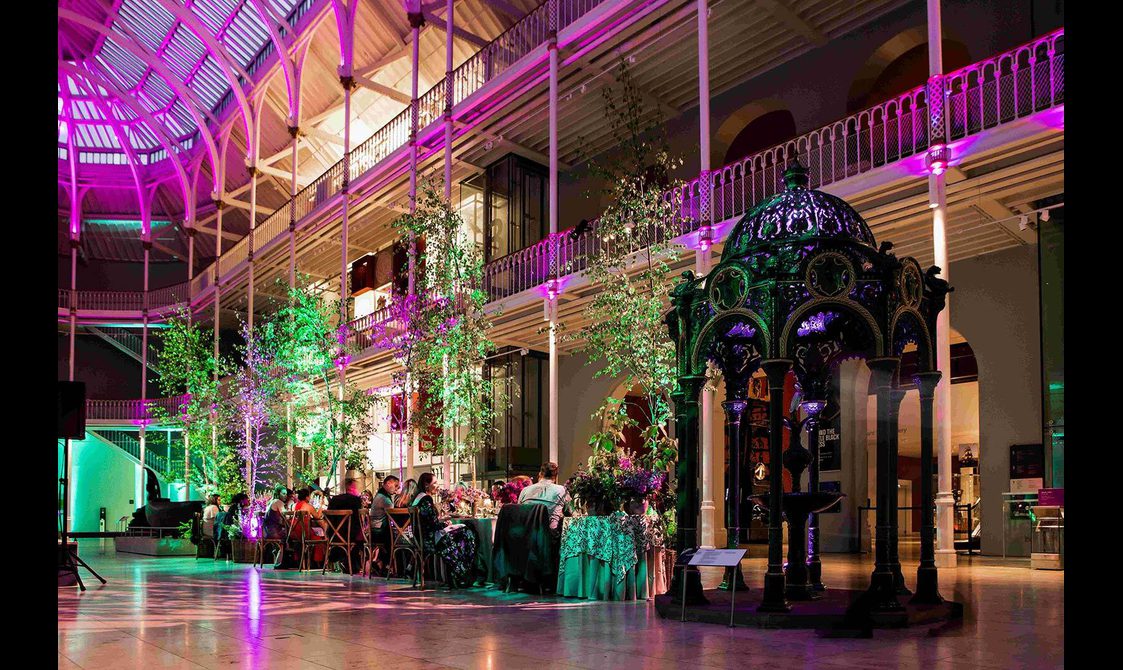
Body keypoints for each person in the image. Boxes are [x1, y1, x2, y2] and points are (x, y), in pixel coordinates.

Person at [410, 472, 478, 588]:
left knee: (461, 533)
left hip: (421, 538)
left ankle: (457, 573)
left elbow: (427, 521)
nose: (437, 485)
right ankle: (462, 573)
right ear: (426, 485)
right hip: (430, 540)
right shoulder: (425, 499)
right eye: (435, 483)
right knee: (467, 532)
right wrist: (445, 525)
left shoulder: (416, 499)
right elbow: (432, 524)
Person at [518, 462, 572, 535]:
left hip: (526, 535)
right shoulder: (562, 490)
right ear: (555, 477)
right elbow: (569, 513)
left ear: (540, 474)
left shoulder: (525, 490)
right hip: (550, 537)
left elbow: (518, 512)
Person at [327, 479, 365, 572]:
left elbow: (327, 517)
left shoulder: (334, 500)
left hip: (333, 535)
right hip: (350, 535)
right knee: (363, 538)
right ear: (352, 487)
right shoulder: (356, 500)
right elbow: (358, 521)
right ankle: (355, 565)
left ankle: (338, 558)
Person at [370, 475, 400, 573]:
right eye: (396, 486)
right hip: (378, 532)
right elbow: (394, 514)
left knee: (392, 535)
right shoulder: (384, 499)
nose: (396, 490)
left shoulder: (379, 495)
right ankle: (390, 565)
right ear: (388, 484)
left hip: (373, 531)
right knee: (396, 538)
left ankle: (379, 561)